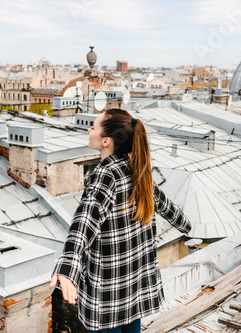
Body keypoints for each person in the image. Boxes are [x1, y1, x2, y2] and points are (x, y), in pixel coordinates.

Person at [50, 108, 191, 333]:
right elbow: (163, 203)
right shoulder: (134, 166)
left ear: (106, 140)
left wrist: (68, 265)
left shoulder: (106, 174)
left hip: (110, 290)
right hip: (133, 283)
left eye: (93, 126)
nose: (89, 129)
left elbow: (85, 220)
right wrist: (186, 226)